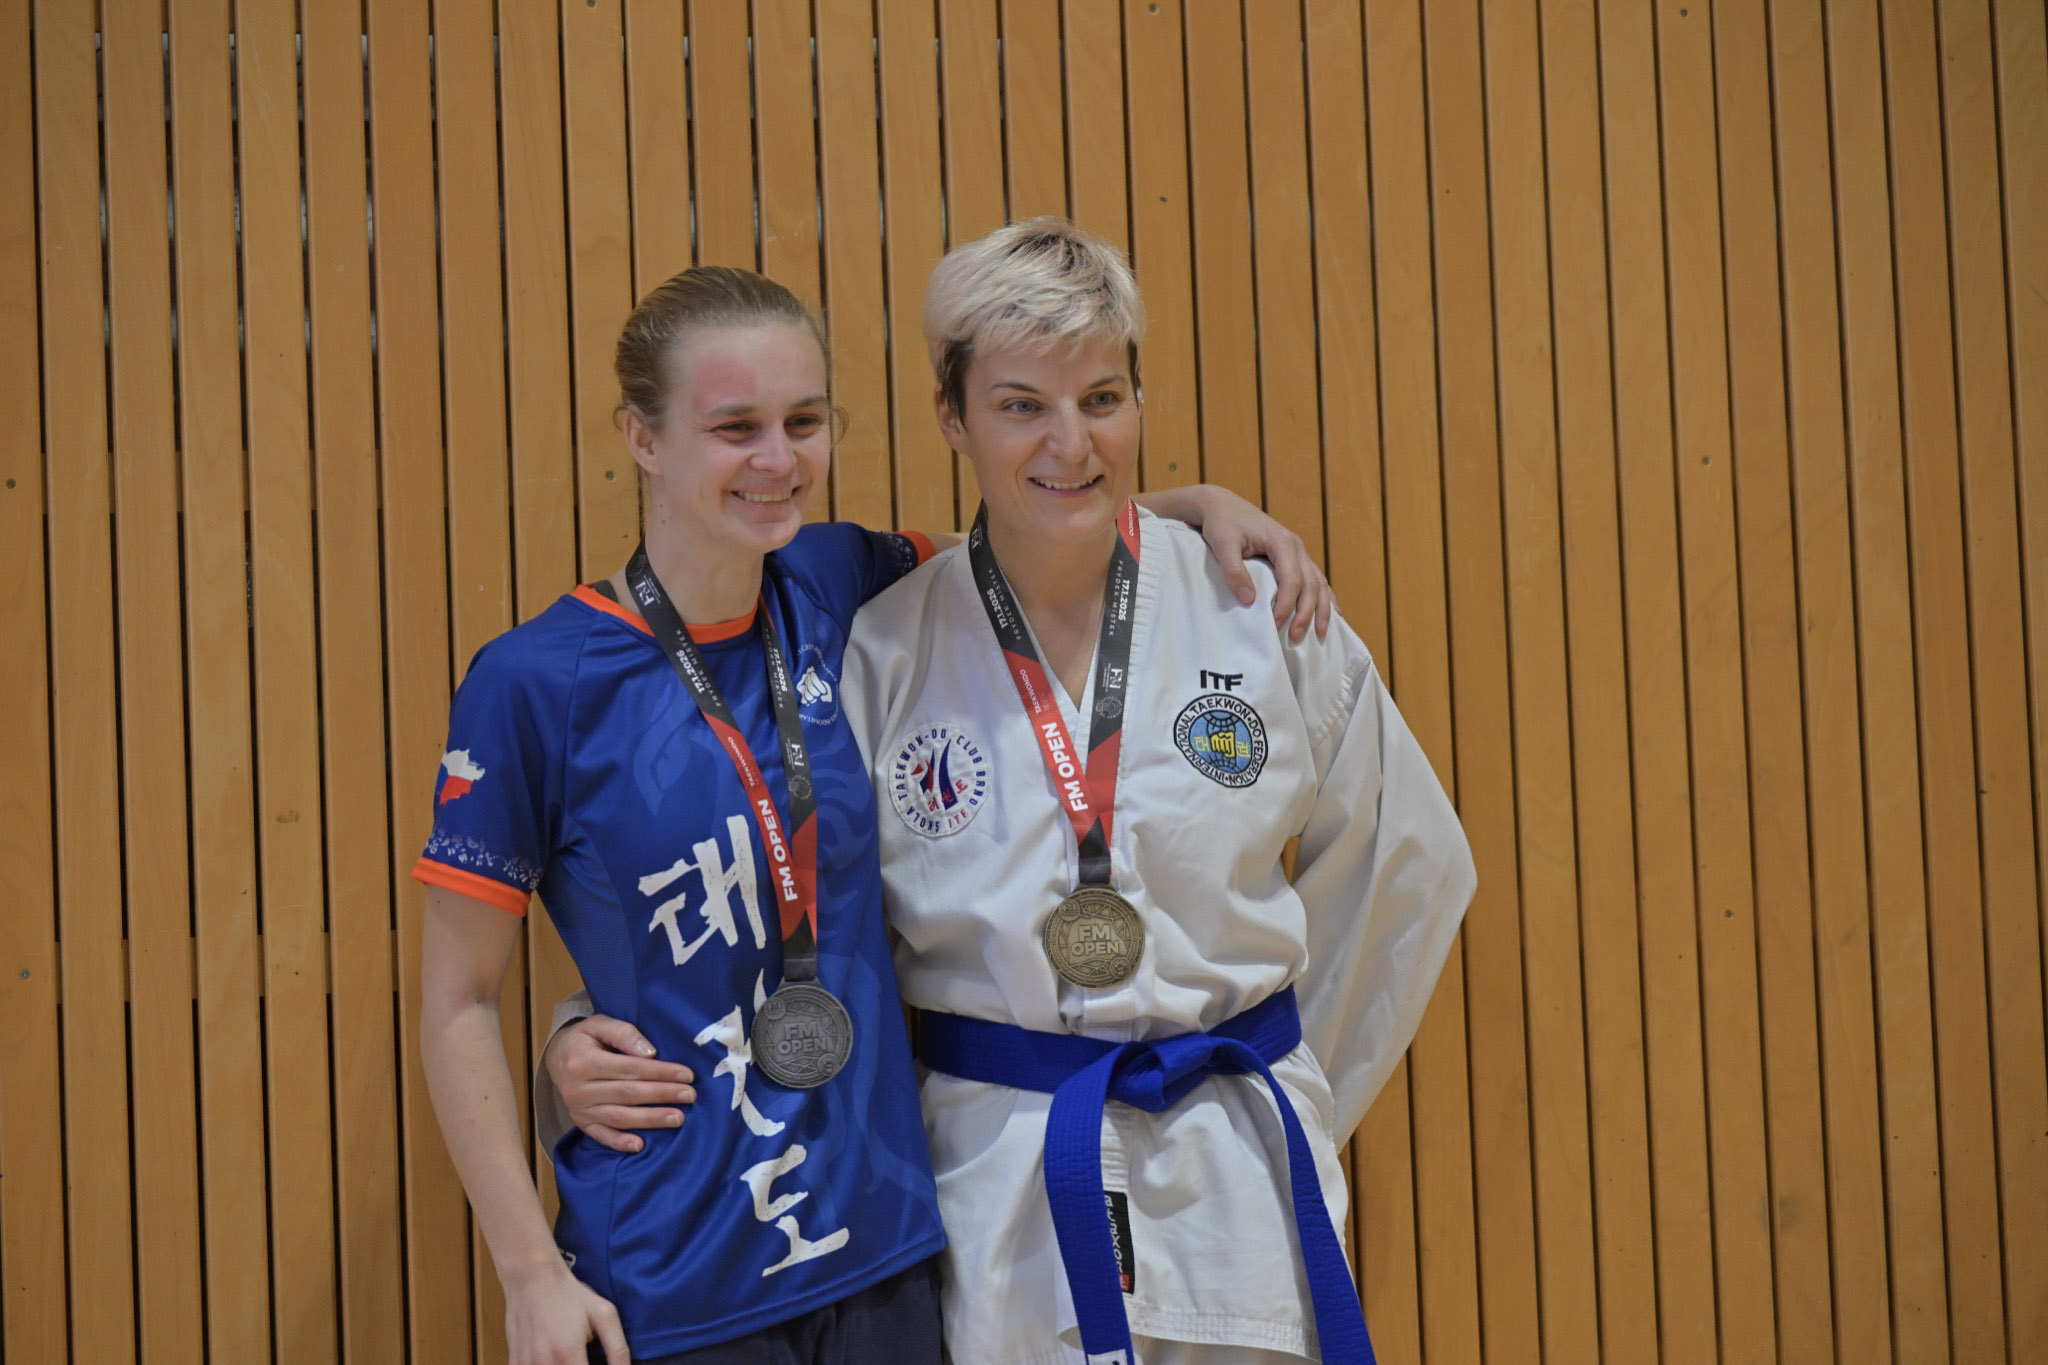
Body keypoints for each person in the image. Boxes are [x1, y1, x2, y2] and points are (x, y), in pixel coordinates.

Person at [546, 220, 1475, 1364]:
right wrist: (581, 1031)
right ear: (953, 417)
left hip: (1237, 1187)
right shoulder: (882, 648)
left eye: (1102, 399)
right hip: (994, 1198)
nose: (1069, 443)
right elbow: (774, 894)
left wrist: (1283, 1075)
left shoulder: (1258, 608)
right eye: (1021, 405)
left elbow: (1407, 865)